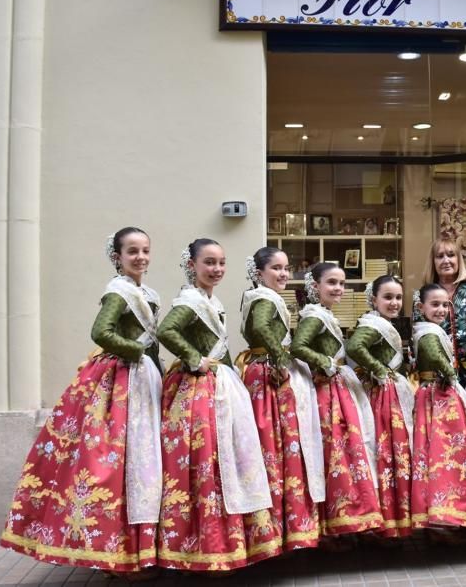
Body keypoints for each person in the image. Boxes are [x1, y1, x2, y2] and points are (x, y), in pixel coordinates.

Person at [1, 227, 162, 577]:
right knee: (118, 463)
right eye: (132, 251)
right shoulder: (118, 292)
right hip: (121, 381)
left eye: (145, 250)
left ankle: (134, 551)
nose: (140, 257)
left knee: (141, 464)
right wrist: (139, 354)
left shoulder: (144, 292)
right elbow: (101, 332)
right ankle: (115, 555)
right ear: (117, 257)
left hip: (142, 378)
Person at [156, 239, 278, 571]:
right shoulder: (191, 301)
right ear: (191, 265)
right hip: (199, 392)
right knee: (206, 463)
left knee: (225, 461)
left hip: (219, 387)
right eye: (209, 262)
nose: (217, 269)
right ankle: (202, 544)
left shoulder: (210, 299)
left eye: (222, 263)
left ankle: (225, 542)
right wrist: (195, 358)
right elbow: (166, 330)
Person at [291, 263, 383, 539]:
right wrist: (325, 363)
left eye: (342, 283)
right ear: (314, 286)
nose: (339, 288)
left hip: (338, 388)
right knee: (335, 454)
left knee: (347, 453)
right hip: (326, 393)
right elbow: (298, 347)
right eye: (332, 283)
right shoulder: (315, 316)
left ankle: (347, 520)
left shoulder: (324, 314)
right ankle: (335, 525)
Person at [240, 246, 323, 551]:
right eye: (276, 268)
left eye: (286, 268)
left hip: (265, 371)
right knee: (274, 447)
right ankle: (276, 529)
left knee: (279, 447)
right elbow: (262, 327)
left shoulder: (262, 296)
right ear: (259, 273)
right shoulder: (263, 297)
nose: (284, 274)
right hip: (268, 376)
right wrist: (280, 357)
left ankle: (282, 529)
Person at [411, 284, 466, 532]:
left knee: (447, 452)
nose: (440, 309)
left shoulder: (432, 330)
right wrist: (450, 374)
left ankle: (448, 515)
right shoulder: (427, 332)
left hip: (441, 393)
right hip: (438, 396)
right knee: (443, 452)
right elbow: (437, 359)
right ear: (421, 308)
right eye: (434, 304)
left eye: (444, 305)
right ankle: (443, 517)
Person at [346, 275, 415, 539]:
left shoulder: (384, 324)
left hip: (390, 393)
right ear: (373, 299)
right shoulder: (372, 324)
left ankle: (390, 521)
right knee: (384, 451)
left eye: (398, 297)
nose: (394, 303)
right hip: (381, 397)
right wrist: (378, 370)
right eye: (387, 297)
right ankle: (384, 523)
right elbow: (354, 346)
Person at [423, 237, 466, 387]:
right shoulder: (424, 294)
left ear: (458, 259)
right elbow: (419, 336)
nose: (446, 260)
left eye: (451, 255)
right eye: (440, 256)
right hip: (439, 373)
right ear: (433, 262)